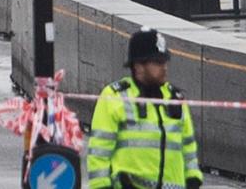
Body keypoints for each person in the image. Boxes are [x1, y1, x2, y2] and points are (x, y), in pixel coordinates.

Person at [87, 29, 203, 189]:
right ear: (138, 66)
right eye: (157, 62)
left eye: (165, 61)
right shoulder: (115, 96)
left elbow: (188, 145)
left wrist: (193, 178)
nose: (164, 67)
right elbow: (99, 152)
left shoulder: (175, 98)